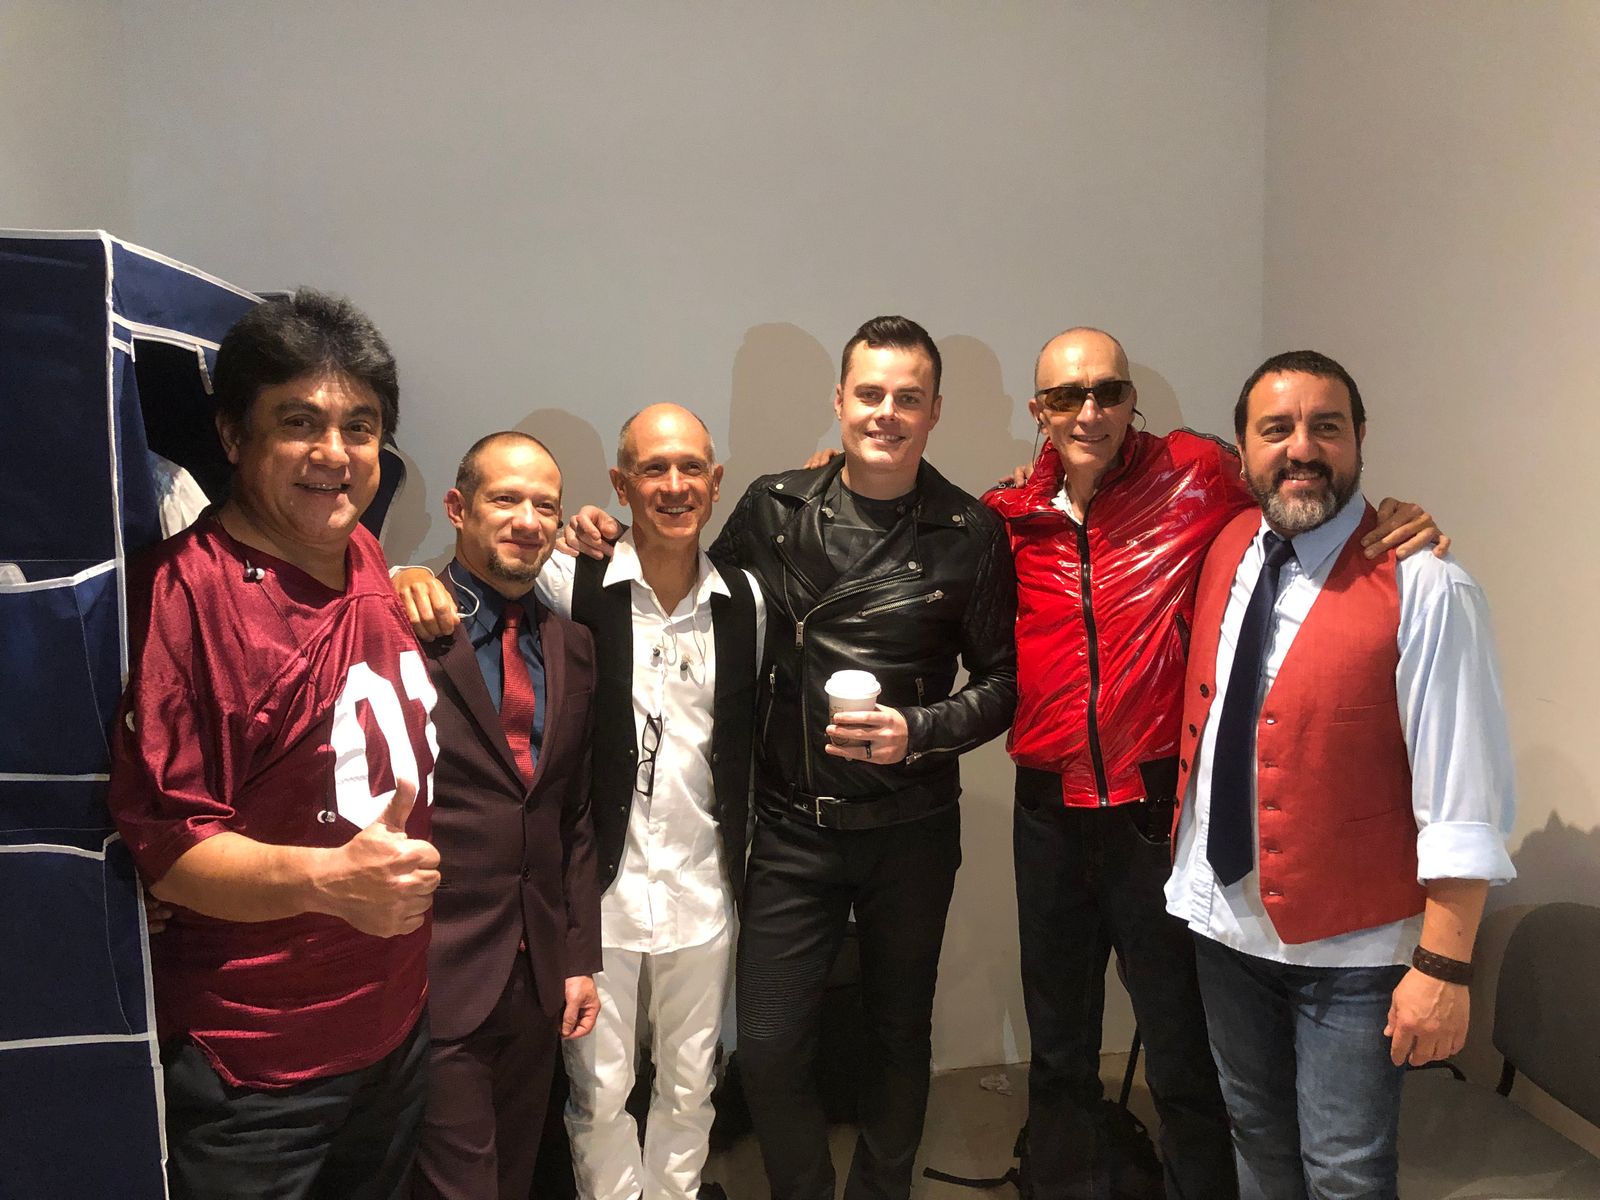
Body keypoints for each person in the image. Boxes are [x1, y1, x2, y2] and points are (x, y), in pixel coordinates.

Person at [982, 328, 1443, 1200]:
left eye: (1109, 391)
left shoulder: (1196, 474)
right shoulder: (1009, 511)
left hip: (1157, 808)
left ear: (1133, 400)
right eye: (1067, 397)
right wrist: (834, 471)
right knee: (1058, 1043)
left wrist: (1397, 515)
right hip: (1047, 809)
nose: (1090, 411)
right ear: (1038, 411)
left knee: (1183, 1052)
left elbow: (1300, 490)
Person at [569, 316, 1018, 1200]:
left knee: (898, 1036)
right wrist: (600, 533)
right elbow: (687, 586)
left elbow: (1004, 682)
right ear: (839, 402)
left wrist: (920, 728)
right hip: (790, 830)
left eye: (909, 398)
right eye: (870, 394)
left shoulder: (969, 530)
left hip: (911, 829)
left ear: (935, 411)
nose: (887, 413)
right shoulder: (775, 508)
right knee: (769, 1047)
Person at [107, 289, 440, 1200]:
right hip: (257, 1065)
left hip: (393, 1024)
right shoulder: (186, 601)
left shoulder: (363, 554)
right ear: (233, 435)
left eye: (360, 427)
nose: (335, 453)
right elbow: (173, 851)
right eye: (299, 423)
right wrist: (328, 881)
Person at [1165, 349, 1515, 1199]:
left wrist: (1443, 968)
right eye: (1276, 429)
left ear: (1360, 439)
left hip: (1354, 952)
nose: (1302, 448)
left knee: (1346, 1172)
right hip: (1224, 925)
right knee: (1255, 1140)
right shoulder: (1227, 548)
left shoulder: (1426, 584)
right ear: (1242, 451)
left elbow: (1463, 796)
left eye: (1326, 427)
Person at [396, 405, 764, 1200]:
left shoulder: (746, 601)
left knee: (692, 1087)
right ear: (621, 486)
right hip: (602, 897)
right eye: (654, 468)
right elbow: (484, 568)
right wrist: (403, 574)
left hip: (704, 890)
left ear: (716, 482)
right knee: (598, 1095)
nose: (675, 485)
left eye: (691, 468)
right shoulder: (571, 578)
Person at [397, 431, 602, 1200]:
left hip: (537, 975)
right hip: (433, 968)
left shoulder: (572, 645)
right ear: (458, 508)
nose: (528, 520)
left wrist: (578, 956)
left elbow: (572, 812)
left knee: (514, 1176)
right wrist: (393, 575)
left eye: (545, 505)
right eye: (506, 499)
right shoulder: (401, 623)